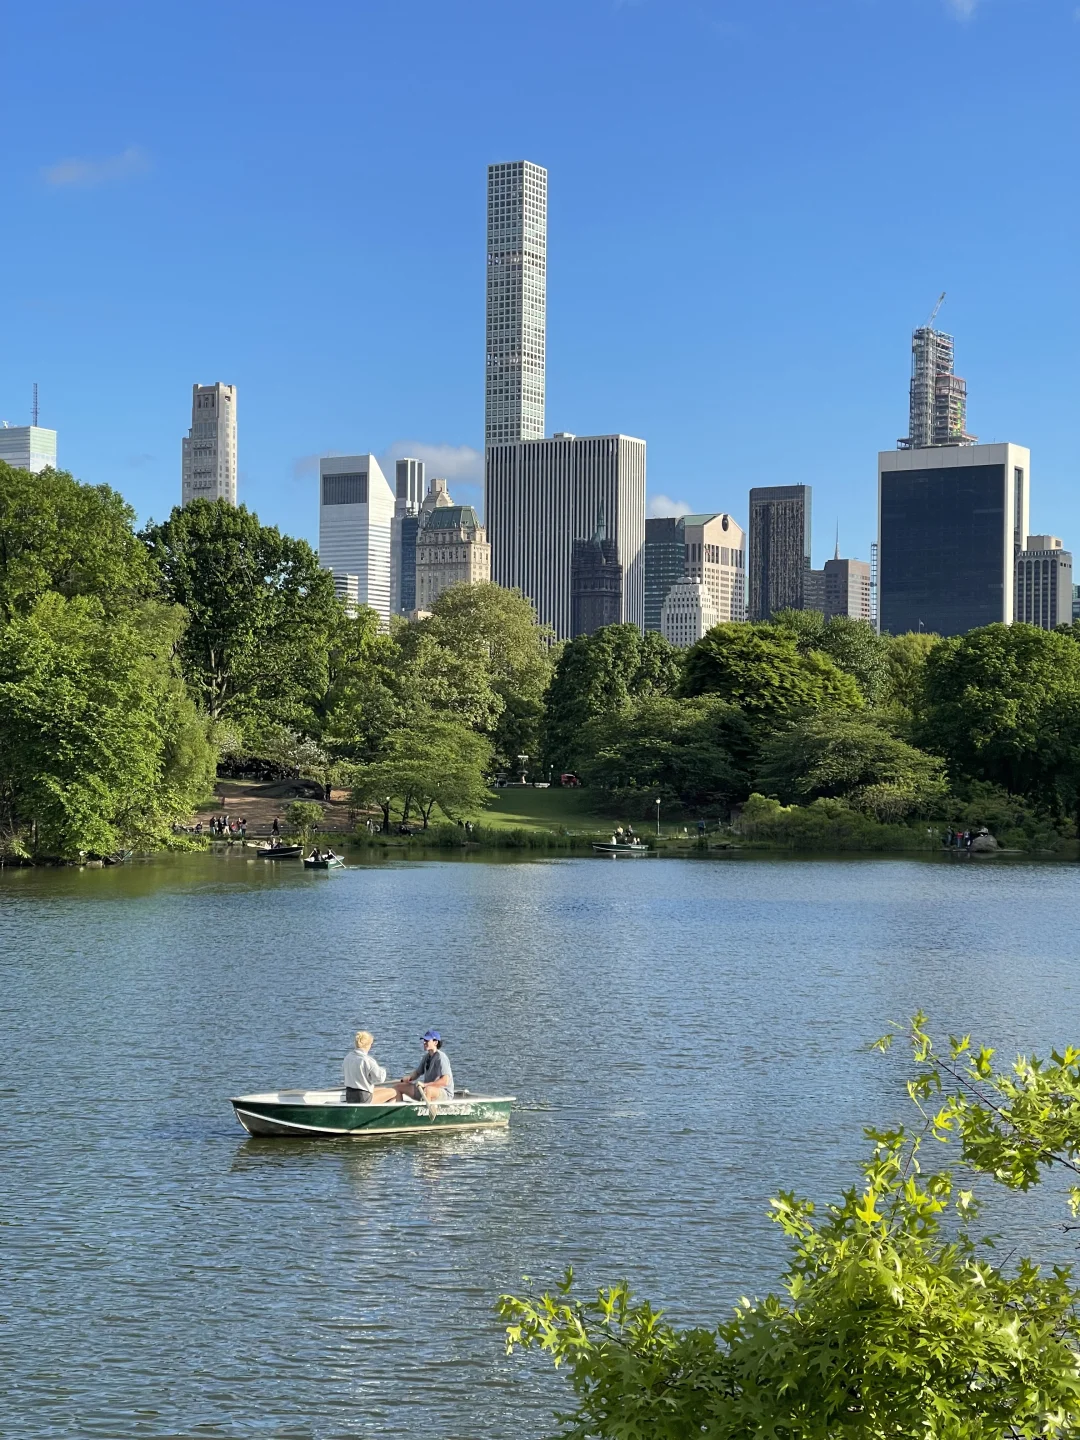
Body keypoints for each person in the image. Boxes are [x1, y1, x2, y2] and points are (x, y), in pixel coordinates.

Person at [393, 1030, 454, 1102]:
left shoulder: (441, 1057)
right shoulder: (426, 1057)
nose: (424, 1043)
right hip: (426, 1089)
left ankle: (426, 1112)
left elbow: (445, 1081)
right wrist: (409, 1077)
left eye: (427, 1040)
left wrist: (425, 1085)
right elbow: (417, 1073)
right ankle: (400, 1112)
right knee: (398, 1087)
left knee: (428, 1090)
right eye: (424, 1040)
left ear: (435, 1042)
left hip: (444, 1092)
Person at [343, 1031, 394, 1104]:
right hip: (363, 1098)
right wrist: (383, 1070)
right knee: (394, 1092)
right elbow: (380, 1079)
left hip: (349, 1095)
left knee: (384, 1089)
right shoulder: (367, 1060)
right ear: (368, 1045)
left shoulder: (347, 1057)